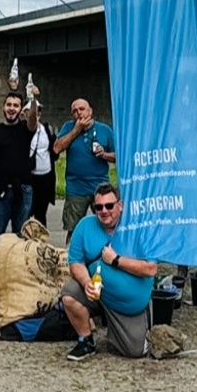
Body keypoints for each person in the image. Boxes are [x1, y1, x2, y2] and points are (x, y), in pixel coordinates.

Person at [60, 184, 156, 360]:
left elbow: (151, 269)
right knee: (69, 294)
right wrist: (85, 282)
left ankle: (119, 329)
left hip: (128, 305)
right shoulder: (84, 226)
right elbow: (75, 262)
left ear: (120, 205)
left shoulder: (138, 228)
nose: (104, 211)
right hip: (98, 293)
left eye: (109, 206)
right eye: (99, 207)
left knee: (135, 352)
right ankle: (86, 341)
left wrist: (116, 260)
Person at [0, 90, 41, 246]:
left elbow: (33, 119)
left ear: (21, 109)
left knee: (22, 233)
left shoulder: (25, 128)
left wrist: (33, 99)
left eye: (16, 105)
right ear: (3, 107)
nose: (11, 108)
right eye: (8, 104)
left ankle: (18, 267)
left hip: (23, 188)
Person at [53, 98, 116, 242]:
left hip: (100, 186)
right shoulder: (68, 127)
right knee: (73, 229)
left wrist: (104, 154)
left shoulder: (104, 130)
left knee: (108, 224)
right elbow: (57, 148)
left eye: (81, 109)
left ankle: (109, 257)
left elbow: (118, 156)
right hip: (76, 188)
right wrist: (76, 130)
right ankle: (71, 259)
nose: (78, 113)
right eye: (74, 111)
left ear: (90, 111)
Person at [25, 100, 59, 228]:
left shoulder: (47, 128)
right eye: (33, 110)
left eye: (39, 110)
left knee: (41, 213)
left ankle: (41, 241)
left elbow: (54, 152)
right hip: (29, 177)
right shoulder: (23, 129)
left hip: (45, 177)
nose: (36, 113)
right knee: (26, 211)